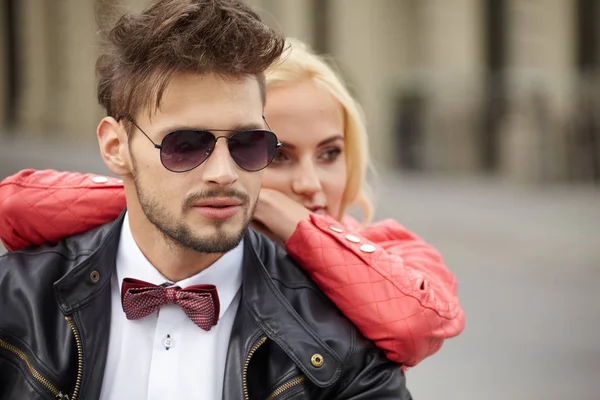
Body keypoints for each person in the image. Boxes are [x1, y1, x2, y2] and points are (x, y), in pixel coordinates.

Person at [0, 1, 412, 399]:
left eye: (247, 143)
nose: (224, 172)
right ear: (115, 146)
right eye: (186, 143)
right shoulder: (15, 300)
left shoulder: (345, 338)